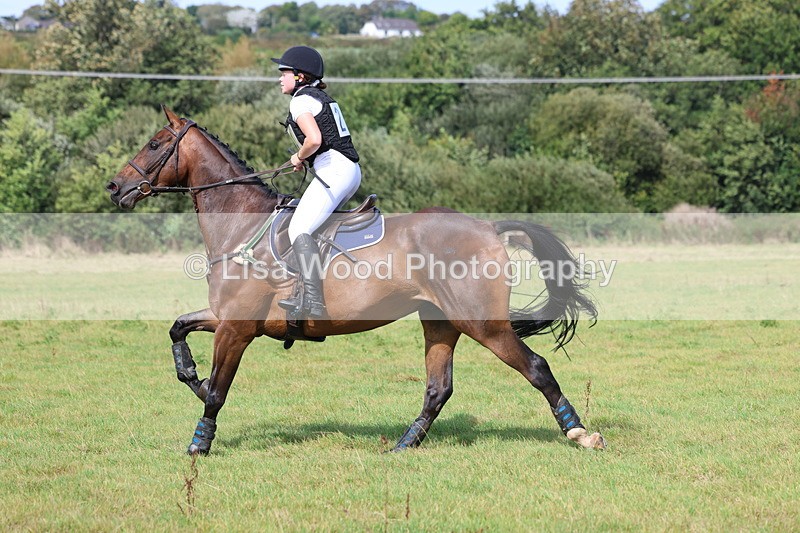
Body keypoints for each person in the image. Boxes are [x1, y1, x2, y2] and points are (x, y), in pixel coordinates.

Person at [272, 45, 361, 319]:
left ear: (299, 76)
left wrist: (299, 157)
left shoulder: (300, 100)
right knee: (313, 225)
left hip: (335, 170)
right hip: (346, 170)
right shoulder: (319, 96)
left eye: (283, 73)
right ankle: (306, 289)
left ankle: (314, 303)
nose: (279, 78)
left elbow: (314, 140)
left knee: (298, 227)